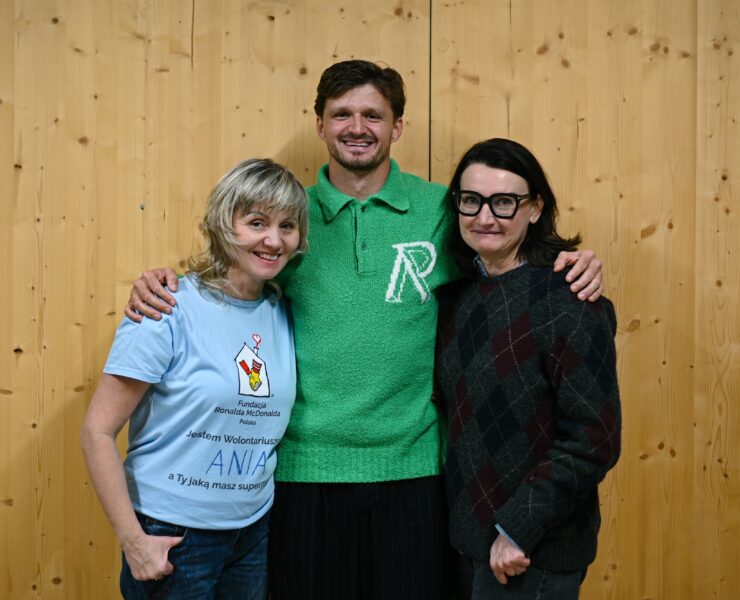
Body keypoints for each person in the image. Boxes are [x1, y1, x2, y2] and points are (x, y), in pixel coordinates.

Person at [123, 61, 605, 600]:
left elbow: (502, 254)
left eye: (373, 115)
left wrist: (569, 262)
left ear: (397, 127)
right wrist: (162, 281)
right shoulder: (289, 216)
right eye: (342, 114)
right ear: (320, 125)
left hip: (415, 473)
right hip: (304, 474)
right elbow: (231, 271)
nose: (358, 127)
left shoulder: (441, 211)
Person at [80, 158, 308, 599]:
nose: (273, 240)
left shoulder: (282, 311)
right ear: (224, 224)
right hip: (173, 536)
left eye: (287, 226)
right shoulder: (166, 306)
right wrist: (134, 542)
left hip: (253, 532)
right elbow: (97, 431)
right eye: (256, 222)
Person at [435, 138, 621, 599]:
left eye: (504, 202)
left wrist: (517, 528)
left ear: (535, 208)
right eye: (471, 200)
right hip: (465, 543)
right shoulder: (456, 298)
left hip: (532, 551)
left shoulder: (569, 299)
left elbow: (592, 440)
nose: (485, 217)